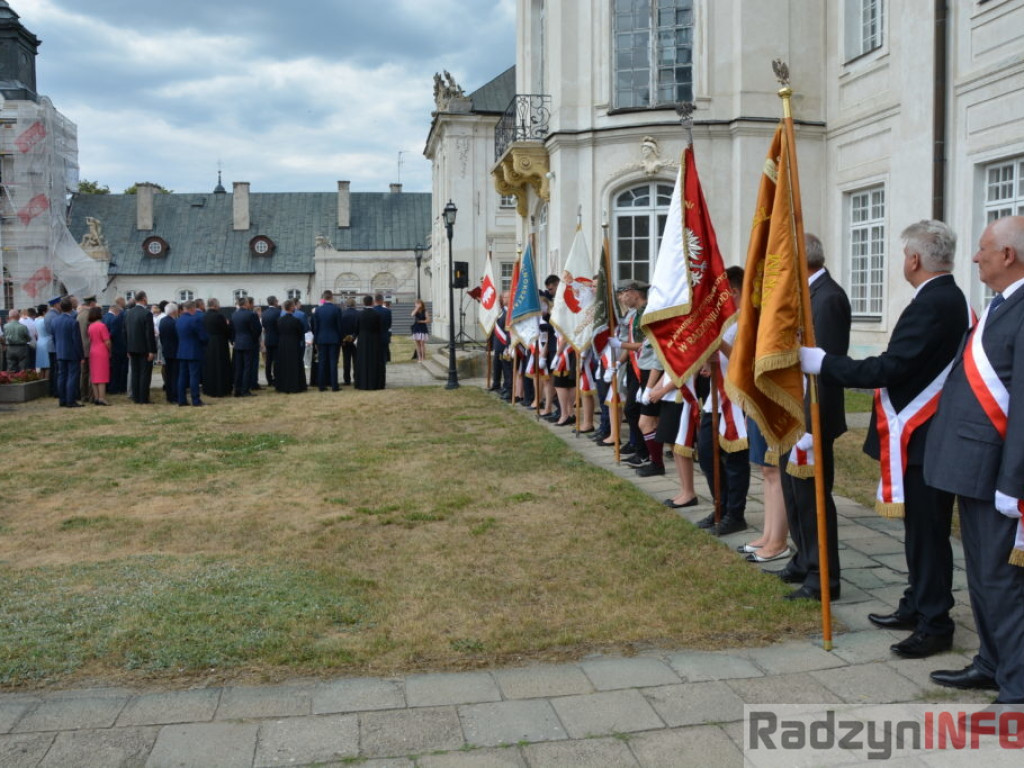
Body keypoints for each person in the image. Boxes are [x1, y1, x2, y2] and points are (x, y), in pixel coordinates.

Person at [800, 220, 969, 657]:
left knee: (928, 534)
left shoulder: (934, 302)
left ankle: (934, 622)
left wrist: (825, 364)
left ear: (913, 259)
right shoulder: (944, 296)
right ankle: (918, 602)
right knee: (921, 532)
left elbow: (892, 366)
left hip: (924, 437)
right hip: (927, 435)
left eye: (903, 255)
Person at [925, 215, 1024, 703]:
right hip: (973, 467)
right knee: (983, 576)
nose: (974, 256)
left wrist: (1014, 482)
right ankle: (991, 661)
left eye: (983, 248)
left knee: (1003, 581)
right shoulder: (1002, 303)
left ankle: (1017, 686)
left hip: (999, 473)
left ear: (1008, 255)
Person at [771, 233, 851, 602]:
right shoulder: (805, 296)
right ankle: (804, 559)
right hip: (793, 414)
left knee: (813, 499)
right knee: (794, 494)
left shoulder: (828, 298)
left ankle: (824, 578)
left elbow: (826, 367)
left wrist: (809, 425)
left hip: (812, 417)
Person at [695, 267, 751, 536]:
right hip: (716, 395)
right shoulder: (723, 320)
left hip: (737, 397)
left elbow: (742, 359)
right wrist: (708, 358)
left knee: (735, 459)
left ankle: (735, 514)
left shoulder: (747, 320)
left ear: (735, 292)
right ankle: (721, 505)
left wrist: (718, 343)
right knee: (707, 455)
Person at [125, 291, 157, 404]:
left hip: (132, 347)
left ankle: (136, 396)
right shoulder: (147, 313)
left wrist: (127, 348)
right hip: (144, 348)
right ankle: (143, 398)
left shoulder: (129, 313)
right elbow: (149, 334)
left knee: (135, 373)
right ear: (144, 299)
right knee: (144, 373)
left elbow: (125, 332)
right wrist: (151, 350)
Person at [176, 300, 209, 406]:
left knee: (182, 376)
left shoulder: (179, 320)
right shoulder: (195, 320)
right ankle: (195, 400)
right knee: (194, 376)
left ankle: (181, 399)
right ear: (192, 308)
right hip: (194, 351)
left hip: (182, 351)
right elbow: (203, 337)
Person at [53, 297, 84, 407]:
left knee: (62, 376)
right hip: (72, 353)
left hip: (60, 351)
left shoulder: (55, 321)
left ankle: (62, 400)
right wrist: (81, 355)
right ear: (71, 308)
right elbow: (77, 341)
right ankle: (70, 400)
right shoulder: (73, 322)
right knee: (72, 377)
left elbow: (54, 338)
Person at [312, 290, 344, 391]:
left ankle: (321, 385)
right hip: (334, 338)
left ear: (323, 298)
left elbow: (316, 327)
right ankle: (334, 385)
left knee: (322, 362)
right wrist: (341, 339)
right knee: (333, 362)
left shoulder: (318, 310)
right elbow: (339, 326)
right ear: (331, 297)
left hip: (321, 338)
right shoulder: (336, 309)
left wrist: (315, 340)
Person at [275, 300, 308, 394]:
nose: (295, 308)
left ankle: (282, 385)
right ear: (290, 307)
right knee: (294, 364)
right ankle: (295, 385)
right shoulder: (296, 321)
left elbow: (277, 332)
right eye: (293, 306)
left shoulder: (279, 320)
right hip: (293, 343)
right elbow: (301, 332)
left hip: (282, 344)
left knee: (283, 364)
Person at [230, 296, 260, 397]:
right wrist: (253, 339)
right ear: (246, 303)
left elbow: (232, 329)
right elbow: (257, 329)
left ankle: (237, 389)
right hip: (248, 342)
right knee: (247, 367)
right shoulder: (251, 314)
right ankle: (245, 390)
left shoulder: (234, 314)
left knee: (238, 367)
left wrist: (233, 340)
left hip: (238, 343)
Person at [354, 294, 386, 390]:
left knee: (363, 361)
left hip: (363, 340)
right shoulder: (377, 314)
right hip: (375, 340)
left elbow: (356, 329)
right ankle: (375, 383)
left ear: (364, 303)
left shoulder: (359, 314)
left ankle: (362, 383)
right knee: (374, 361)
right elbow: (380, 328)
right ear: (372, 302)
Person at [202, 298, 232, 397]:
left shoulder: (204, 315)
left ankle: (209, 388)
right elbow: (225, 330)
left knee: (210, 365)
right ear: (215, 305)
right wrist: (228, 326)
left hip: (208, 342)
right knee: (220, 365)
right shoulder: (219, 316)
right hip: (219, 342)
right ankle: (221, 388)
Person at [87, 306, 112, 406]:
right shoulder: (102, 326)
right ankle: (102, 398)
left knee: (94, 375)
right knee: (102, 375)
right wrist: (110, 350)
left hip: (93, 350)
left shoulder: (90, 326)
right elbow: (107, 341)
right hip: (101, 351)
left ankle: (96, 397)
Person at [104, 298, 128, 394]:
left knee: (114, 369)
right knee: (120, 369)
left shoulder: (104, 317)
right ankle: (119, 387)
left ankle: (113, 386)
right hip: (119, 346)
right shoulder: (117, 319)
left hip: (113, 347)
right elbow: (112, 334)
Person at [261, 296, 282, 388]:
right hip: (277, 339)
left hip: (268, 339)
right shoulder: (278, 312)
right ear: (275, 302)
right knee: (277, 361)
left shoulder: (264, 313)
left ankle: (269, 379)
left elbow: (264, 325)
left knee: (268, 361)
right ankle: (277, 378)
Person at [340, 298, 360, 385]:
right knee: (356, 360)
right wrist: (354, 336)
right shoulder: (358, 314)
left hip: (345, 340)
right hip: (356, 340)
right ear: (354, 304)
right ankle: (357, 378)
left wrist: (344, 337)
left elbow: (340, 327)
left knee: (346, 360)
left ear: (346, 304)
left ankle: (347, 379)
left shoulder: (342, 314)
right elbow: (359, 327)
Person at [373, 293, 392, 363]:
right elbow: (389, 324)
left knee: (375, 356)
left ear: (375, 301)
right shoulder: (387, 311)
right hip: (384, 335)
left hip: (374, 336)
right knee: (384, 355)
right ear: (382, 301)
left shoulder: (372, 310)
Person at [34, 304, 51, 380]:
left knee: (41, 365)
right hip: (47, 342)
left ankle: (40, 382)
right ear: (44, 312)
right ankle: (47, 381)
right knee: (47, 365)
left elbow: (35, 333)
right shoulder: (45, 320)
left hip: (39, 342)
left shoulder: (35, 320)